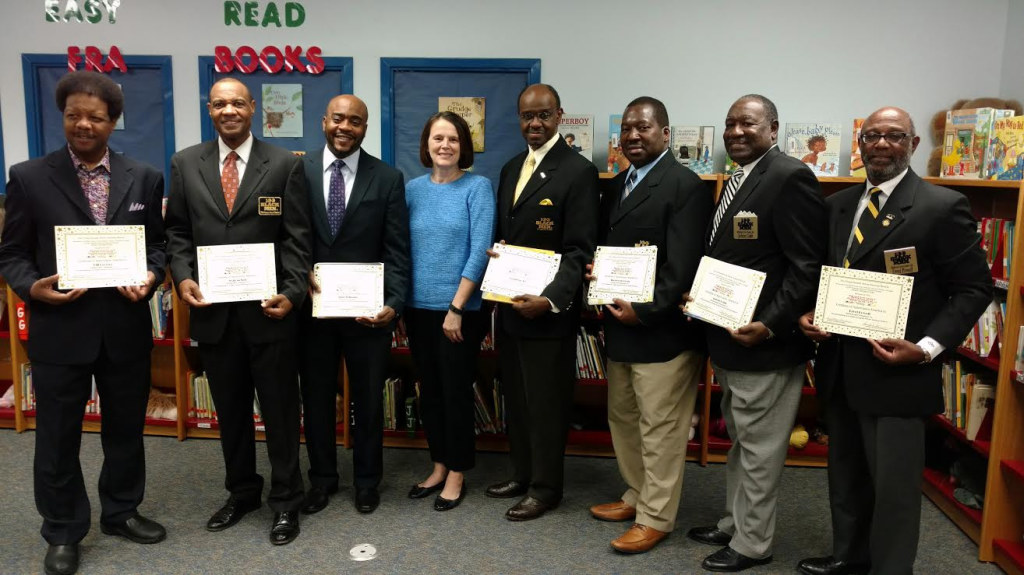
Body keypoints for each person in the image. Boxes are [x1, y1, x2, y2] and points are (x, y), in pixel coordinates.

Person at [796, 107, 992, 575]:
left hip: (898, 372)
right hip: (841, 367)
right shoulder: (838, 206)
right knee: (845, 475)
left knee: (894, 487)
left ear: (913, 144)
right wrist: (810, 314)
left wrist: (925, 347)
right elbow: (830, 276)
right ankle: (849, 555)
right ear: (860, 144)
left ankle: (889, 568)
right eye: (872, 136)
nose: (881, 144)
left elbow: (974, 289)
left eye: (894, 136)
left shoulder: (941, 207)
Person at [0, 70, 167, 575]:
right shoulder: (29, 176)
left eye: (95, 116)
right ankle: (64, 530)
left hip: (124, 328)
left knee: (124, 431)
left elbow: (157, 245)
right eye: (74, 115)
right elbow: (11, 253)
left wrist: (151, 276)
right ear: (63, 117)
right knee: (57, 435)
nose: (84, 125)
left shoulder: (144, 176)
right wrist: (33, 287)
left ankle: (121, 511)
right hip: (60, 329)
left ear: (114, 121)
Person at [165, 77, 311, 546]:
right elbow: (179, 232)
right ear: (210, 110)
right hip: (214, 314)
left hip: (269, 313)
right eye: (219, 104)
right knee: (230, 411)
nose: (229, 110)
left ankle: (287, 500)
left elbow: (296, 237)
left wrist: (292, 292)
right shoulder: (186, 162)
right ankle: (242, 491)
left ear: (253, 108)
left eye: (237, 103)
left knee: (281, 412)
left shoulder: (285, 164)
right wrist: (183, 275)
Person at [686, 94, 827, 572]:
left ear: (773, 128)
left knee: (761, 450)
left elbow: (807, 267)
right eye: (729, 124)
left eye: (748, 123)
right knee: (742, 444)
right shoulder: (739, 177)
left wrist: (770, 324)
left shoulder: (790, 176)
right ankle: (734, 522)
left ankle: (752, 544)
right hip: (729, 339)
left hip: (765, 344)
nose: (736, 132)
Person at [586, 97, 712, 553]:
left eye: (644, 128)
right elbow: (608, 250)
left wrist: (647, 308)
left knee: (661, 428)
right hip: (620, 327)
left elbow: (684, 267)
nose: (634, 136)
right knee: (623, 417)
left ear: (665, 133)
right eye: (627, 129)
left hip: (662, 333)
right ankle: (637, 494)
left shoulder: (686, 186)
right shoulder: (616, 184)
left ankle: (656, 517)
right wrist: (595, 277)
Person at [486, 83, 599, 521]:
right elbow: (508, 237)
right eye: (527, 116)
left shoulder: (578, 171)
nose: (534, 123)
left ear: (559, 116)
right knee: (516, 397)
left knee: (547, 403)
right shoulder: (511, 168)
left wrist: (550, 300)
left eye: (544, 115)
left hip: (547, 315)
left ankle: (546, 487)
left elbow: (579, 249)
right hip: (510, 309)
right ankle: (522, 472)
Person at [297, 94, 409, 516]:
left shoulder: (387, 177)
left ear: (366, 128)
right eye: (339, 119)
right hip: (314, 312)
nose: (346, 127)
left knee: (367, 400)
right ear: (325, 121)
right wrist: (297, 274)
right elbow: (288, 235)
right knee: (317, 398)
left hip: (368, 314)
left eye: (356, 122)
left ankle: (367, 480)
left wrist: (393, 304)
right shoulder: (298, 170)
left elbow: (397, 250)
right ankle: (323, 479)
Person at [404, 111, 495, 511]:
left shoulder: (478, 187)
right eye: (438, 138)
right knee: (431, 394)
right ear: (426, 144)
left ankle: (458, 471)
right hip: (416, 309)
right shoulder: (411, 190)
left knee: (456, 392)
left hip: (459, 310)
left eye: (453, 139)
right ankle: (439, 465)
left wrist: (456, 307)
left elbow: (480, 250)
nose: (445, 146)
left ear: (464, 147)